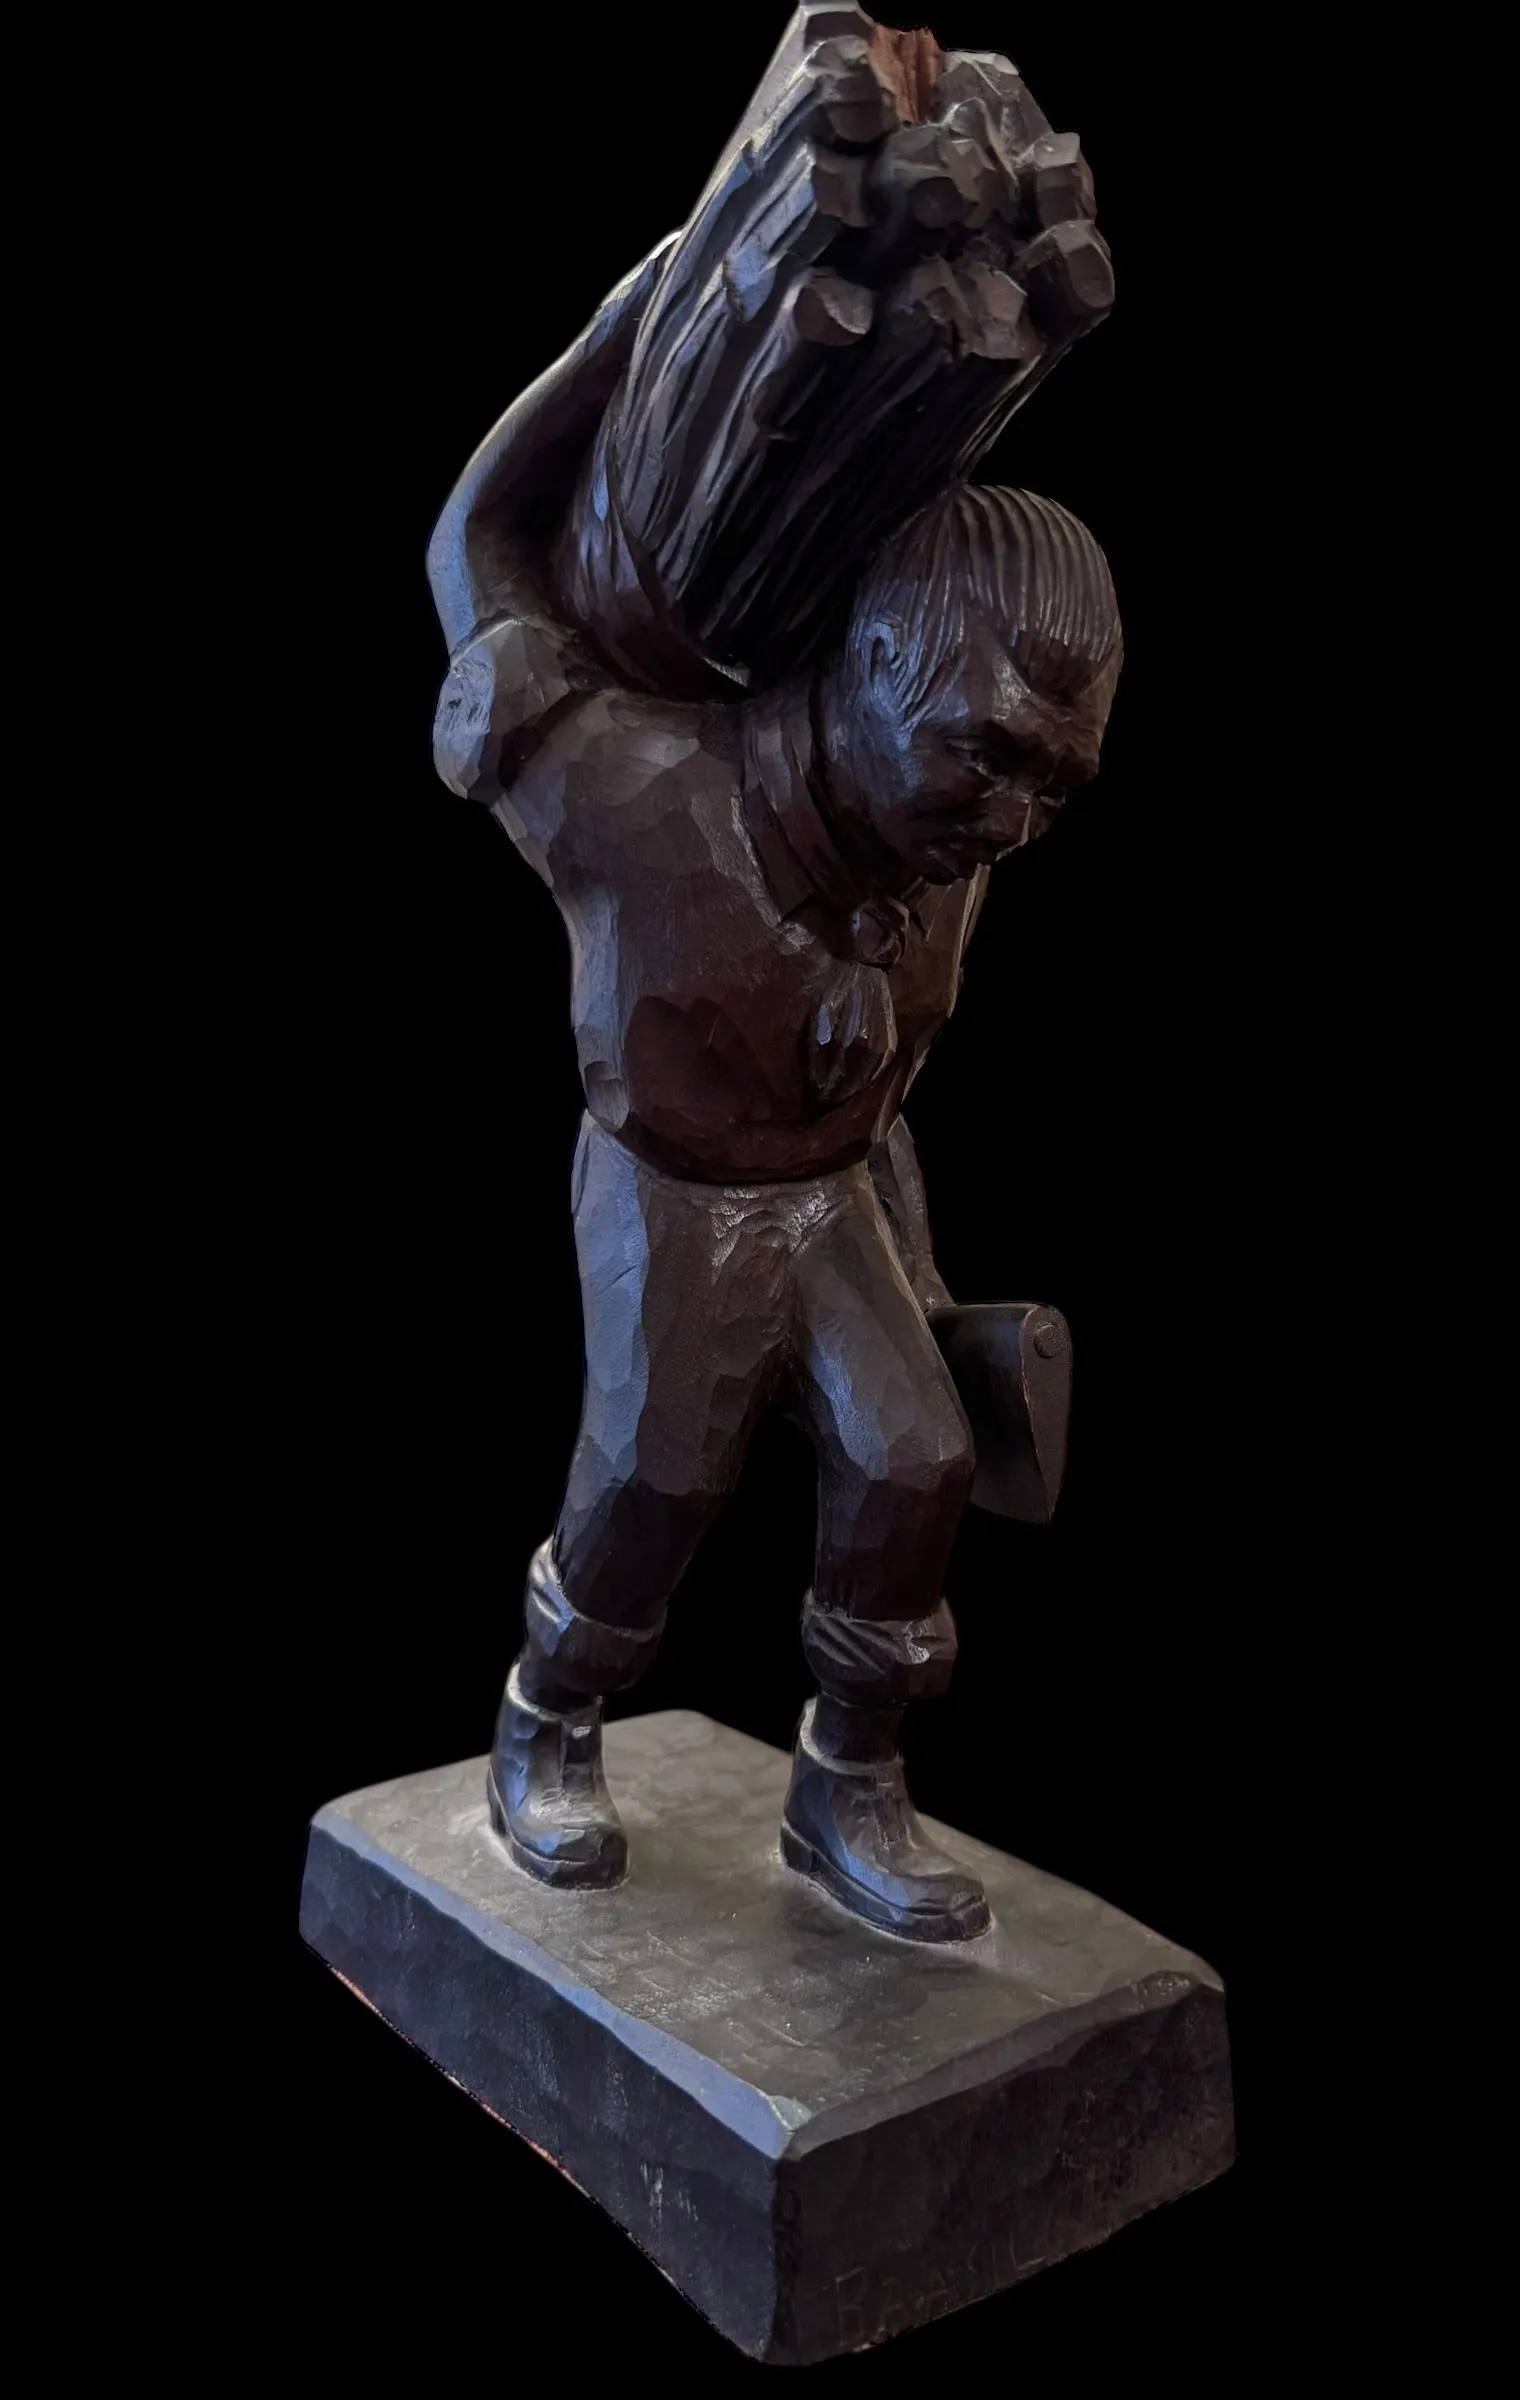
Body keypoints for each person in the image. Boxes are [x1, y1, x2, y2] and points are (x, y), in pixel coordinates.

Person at [426, 15, 1120, 1943]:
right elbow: (474, 541)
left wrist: (931, 1290)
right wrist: (634, 326)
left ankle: (849, 1788)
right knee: (652, 1479)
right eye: (981, 758)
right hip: (670, 1187)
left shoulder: (941, 881)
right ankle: (549, 1718)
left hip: (826, 1198)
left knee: (911, 1463)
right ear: (866, 675)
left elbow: (884, 1102)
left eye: (1054, 788)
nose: (1011, 819)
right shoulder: (639, 791)